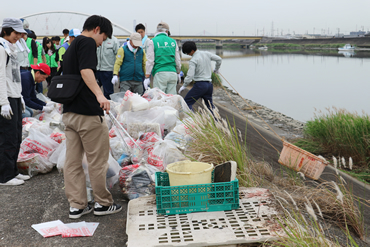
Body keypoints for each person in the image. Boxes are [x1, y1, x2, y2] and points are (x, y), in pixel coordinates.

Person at [62, 15, 121, 219]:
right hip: (87, 113)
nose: (101, 42)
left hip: (69, 113)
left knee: (72, 162)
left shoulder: (71, 46)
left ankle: (77, 206)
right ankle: (103, 204)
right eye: (103, 37)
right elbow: (86, 71)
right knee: (97, 161)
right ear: (97, 29)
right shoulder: (87, 42)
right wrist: (99, 94)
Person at [0, 18, 30, 186]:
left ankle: (12, 170)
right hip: (7, 98)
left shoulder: (11, 48)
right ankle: (4, 176)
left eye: (20, 33)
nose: (18, 36)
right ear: (6, 31)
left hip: (15, 96)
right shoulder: (1, 49)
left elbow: (14, 77)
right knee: (8, 138)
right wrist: (3, 102)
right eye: (15, 33)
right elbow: (1, 77)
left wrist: (21, 97)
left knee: (16, 135)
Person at [178, 41, 222, 111]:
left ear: (192, 51)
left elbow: (190, 75)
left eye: (188, 53)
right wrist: (216, 69)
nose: (188, 54)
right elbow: (219, 59)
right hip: (209, 85)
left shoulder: (193, 60)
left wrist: (184, 85)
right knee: (210, 106)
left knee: (186, 103)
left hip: (200, 85)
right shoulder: (207, 54)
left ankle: (191, 120)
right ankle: (215, 121)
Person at [144, 22, 181, 95]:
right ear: (167, 31)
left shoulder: (153, 41)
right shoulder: (173, 42)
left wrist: (147, 76)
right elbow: (177, 60)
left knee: (159, 99)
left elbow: (150, 61)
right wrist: (178, 72)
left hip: (160, 73)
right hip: (172, 74)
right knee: (171, 99)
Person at [96, 35, 119, 99]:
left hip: (108, 71)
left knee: (108, 94)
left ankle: (108, 108)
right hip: (96, 70)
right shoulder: (96, 39)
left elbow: (118, 57)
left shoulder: (114, 41)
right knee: (93, 92)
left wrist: (116, 72)